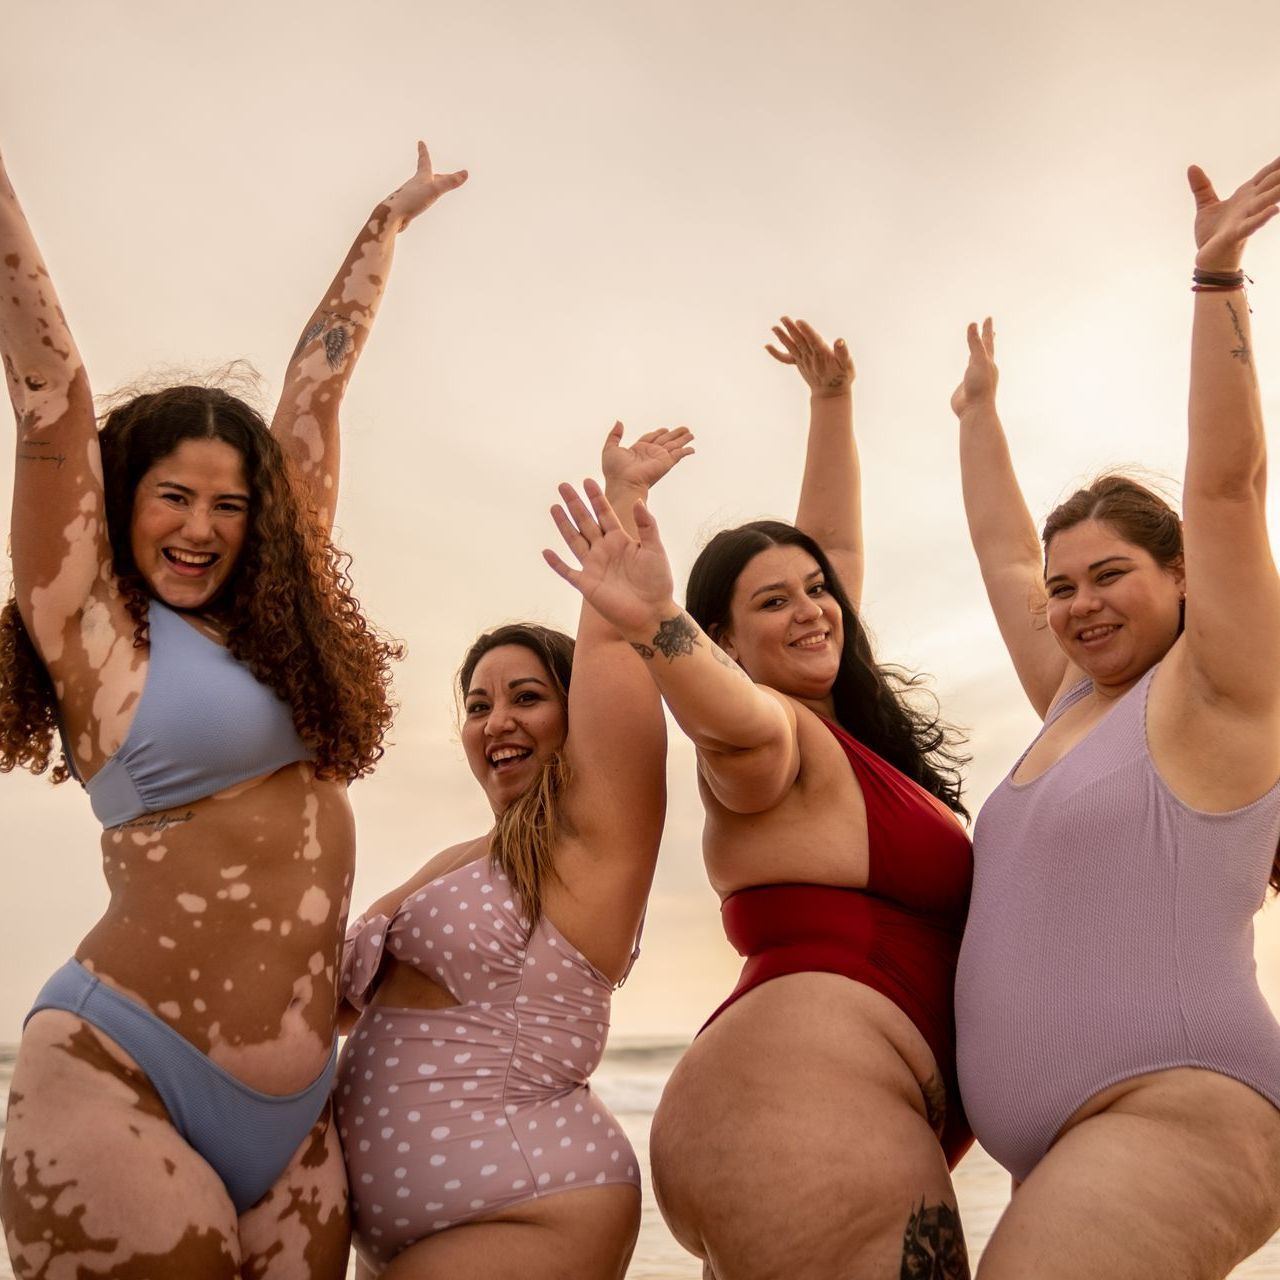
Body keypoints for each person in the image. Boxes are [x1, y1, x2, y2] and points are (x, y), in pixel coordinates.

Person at [0, 141, 465, 1279]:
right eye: (171, 496)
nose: (201, 526)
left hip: (297, 1116)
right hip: (123, 1073)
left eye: (228, 502)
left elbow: (317, 385)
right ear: (119, 504)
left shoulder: (275, 632)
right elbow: (52, 401)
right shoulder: (92, 631)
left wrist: (384, 225)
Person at [545, 319, 973, 1280]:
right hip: (798, 1112)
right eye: (770, 602)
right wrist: (660, 623)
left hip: (797, 1118)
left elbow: (838, 552)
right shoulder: (769, 741)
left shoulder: (841, 733)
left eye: (812, 590)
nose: (810, 608)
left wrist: (831, 404)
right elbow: (726, 718)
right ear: (727, 642)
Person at [950, 154, 1280, 1279]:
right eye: (1062, 585)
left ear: (1183, 576)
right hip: (1065, 1148)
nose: (1076, 603)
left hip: (1181, 1105)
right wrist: (975, 415)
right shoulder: (1070, 697)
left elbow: (1228, 484)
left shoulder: (1223, 690)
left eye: (1109, 574)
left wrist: (1213, 276)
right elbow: (1001, 550)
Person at [335, 423, 692, 1278]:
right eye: (477, 703)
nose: (496, 719)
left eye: (527, 696)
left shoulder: (593, 842)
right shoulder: (457, 862)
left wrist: (623, 501)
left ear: (575, 719)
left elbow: (612, 644)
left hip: (532, 1203)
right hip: (395, 1230)